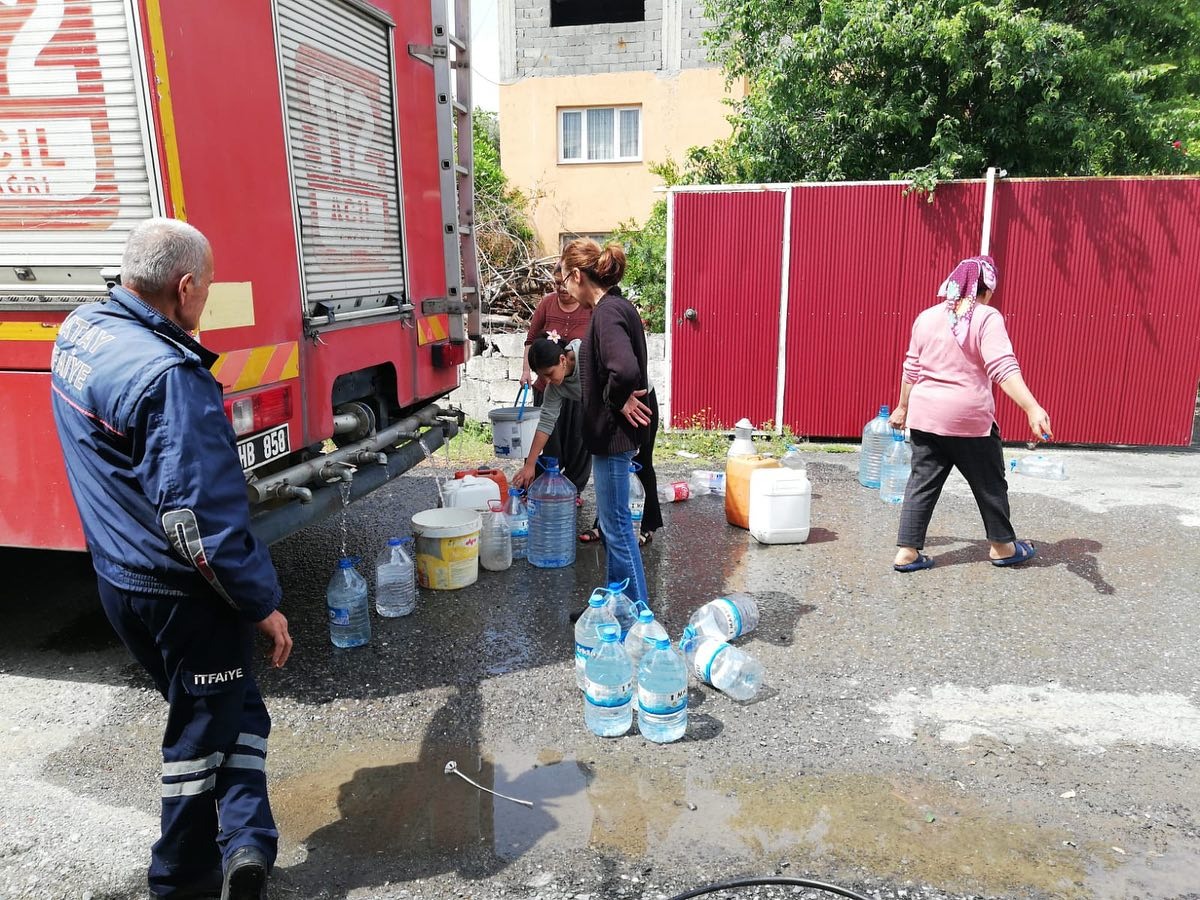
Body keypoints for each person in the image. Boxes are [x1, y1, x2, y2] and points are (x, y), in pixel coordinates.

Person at [50, 218, 291, 900]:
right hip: (179, 596)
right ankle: (181, 882)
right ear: (184, 287)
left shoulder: (82, 331)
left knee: (236, 711)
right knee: (199, 742)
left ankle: (247, 844)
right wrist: (261, 604)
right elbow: (200, 526)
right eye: (206, 290)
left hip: (118, 577)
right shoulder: (171, 377)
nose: (206, 302)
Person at [889, 255, 1053, 572]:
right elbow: (1002, 367)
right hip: (969, 421)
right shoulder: (986, 318)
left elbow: (912, 368)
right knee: (989, 483)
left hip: (925, 417)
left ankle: (907, 552)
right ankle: (1003, 547)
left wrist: (902, 407)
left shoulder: (927, 317)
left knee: (921, 483)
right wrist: (1031, 407)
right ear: (987, 290)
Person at [562, 238, 655, 605]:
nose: (564, 290)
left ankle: (640, 619)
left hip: (614, 440)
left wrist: (616, 400)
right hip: (613, 439)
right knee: (614, 529)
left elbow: (626, 368)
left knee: (617, 531)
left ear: (576, 275)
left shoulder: (606, 313)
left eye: (564, 281)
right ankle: (614, 609)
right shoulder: (619, 307)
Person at [521, 264, 594, 500]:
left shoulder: (588, 360)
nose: (561, 287)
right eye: (556, 283)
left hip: (615, 402)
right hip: (570, 382)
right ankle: (551, 483)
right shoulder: (553, 383)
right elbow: (545, 422)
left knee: (582, 440)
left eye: (565, 282)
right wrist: (529, 464)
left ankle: (575, 489)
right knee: (553, 442)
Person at [511, 331, 592, 495]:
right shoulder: (554, 388)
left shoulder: (586, 356)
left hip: (635, 398)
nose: (547, 381)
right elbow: (546, 423)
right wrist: (530, 465)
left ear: (562, 360)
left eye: (549, 374)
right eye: (542, 377)